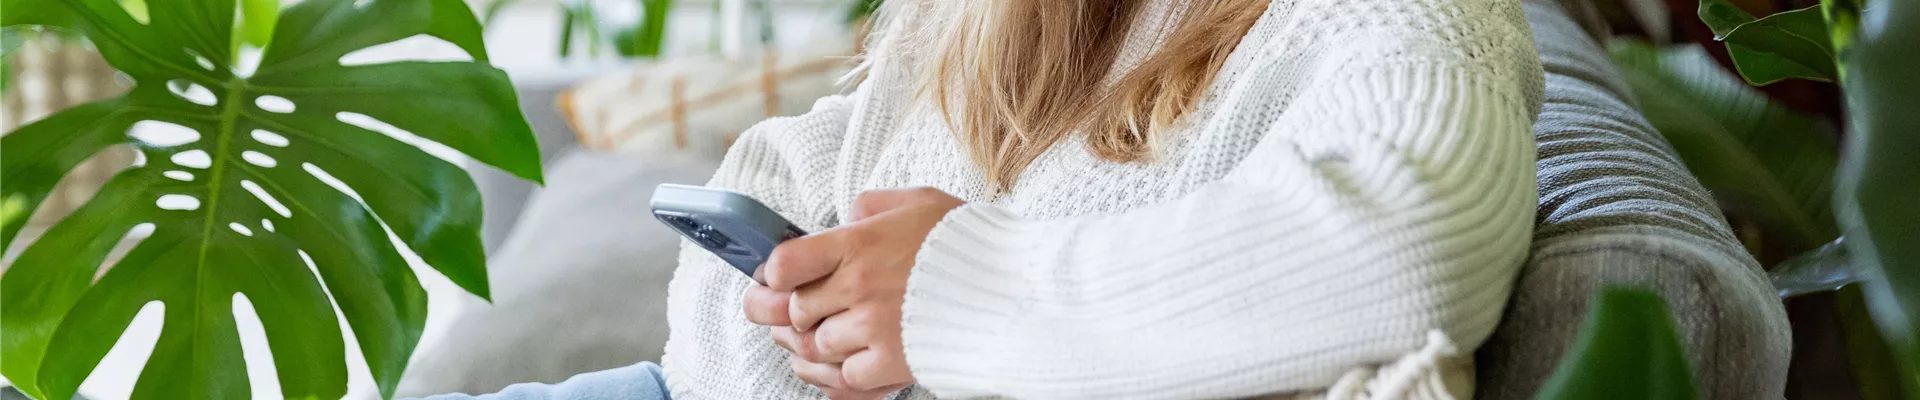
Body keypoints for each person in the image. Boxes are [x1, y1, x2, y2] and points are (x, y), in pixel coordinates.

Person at [427, 0, 1544, 397]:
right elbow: (789, 164)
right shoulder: (1004, 17)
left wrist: (945, 299)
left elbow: (1414, 237)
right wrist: (816, 340)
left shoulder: (1389, 18)